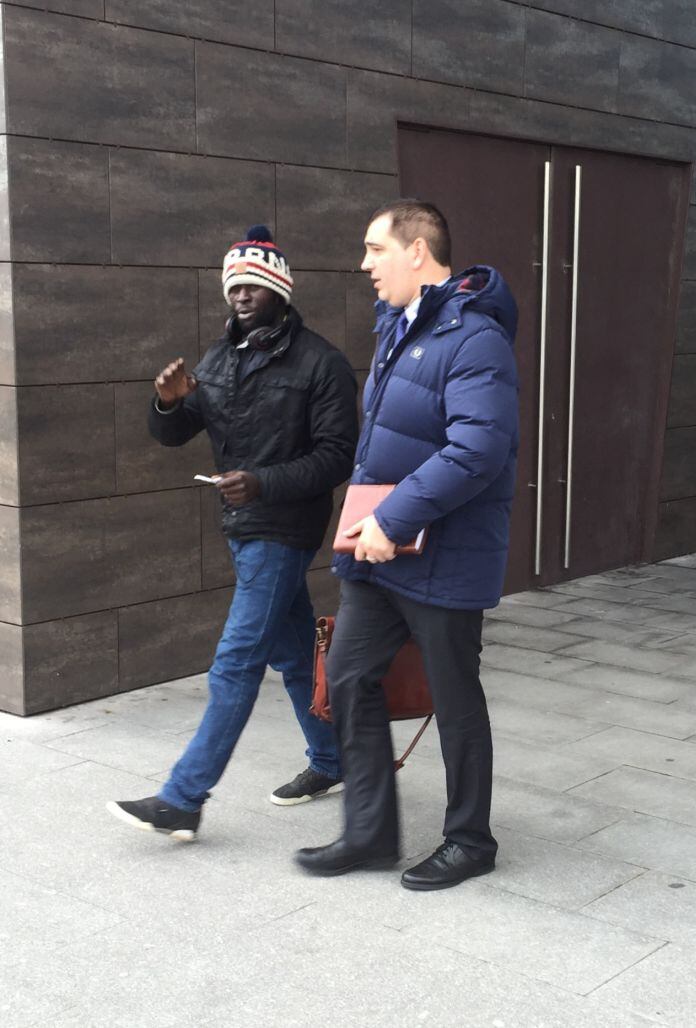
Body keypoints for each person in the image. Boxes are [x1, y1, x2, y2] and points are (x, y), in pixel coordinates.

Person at [107, 224, 358, 839]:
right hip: (243, 528)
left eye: (254, 284)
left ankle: (183, 798)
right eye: (233, 285)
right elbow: (175, 433)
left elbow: (338, 456)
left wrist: (263, 483)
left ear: (280, 290)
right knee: (294, 655)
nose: (241, 294)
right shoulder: (219, 358)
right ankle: (334, 760)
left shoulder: (320, 362)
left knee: (236, 662)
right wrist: (168, 404)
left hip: (284, 528)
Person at [295, 200, 519, 890]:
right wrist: (377, 526)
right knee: (350, 678)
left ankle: (470, 840)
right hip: (380, 555)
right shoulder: (400, 327)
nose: (364, 263)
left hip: (443, 555)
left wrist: (391, 519)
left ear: (417, 251)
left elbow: (478, 448)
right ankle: (369, 833)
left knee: (454, 697)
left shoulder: (475, 338)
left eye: (375, 248)